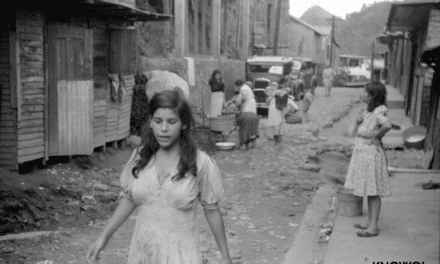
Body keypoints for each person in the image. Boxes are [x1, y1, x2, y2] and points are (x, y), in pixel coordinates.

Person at [86, 90, 232, 264]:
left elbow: (211, 209)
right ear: (151, 122)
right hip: (143, 255)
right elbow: (131, 198)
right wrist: (104, 237)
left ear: (183, 124)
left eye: (171, 122)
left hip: (182, 257)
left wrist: (225, 256)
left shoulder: (200, 163)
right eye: (158, 121)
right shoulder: (141, 157)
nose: (164, 129)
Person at [344, 81, 392, 238]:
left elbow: (388, 125)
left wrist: (377, 137)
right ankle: (370, 222)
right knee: (368, 188)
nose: (361, 94)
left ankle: (374, 227)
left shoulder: (379, 111)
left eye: (364, 92)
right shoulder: (365, 112)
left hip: (371, 153)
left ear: (372, 96)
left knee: (373, 191)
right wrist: (356, 121)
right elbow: (350, 133)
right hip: (362, 152)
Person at [266, 82, 299, 147]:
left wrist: (288, 112)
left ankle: (278, 144)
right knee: (275, 132)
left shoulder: (286, 98)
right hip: (272, 116)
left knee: (279, 131)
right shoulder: (271, 98)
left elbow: (296, 108)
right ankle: (276, 143)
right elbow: (267, 103)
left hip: (279, 116)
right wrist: (273, 95)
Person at [232, 79, 259, 150]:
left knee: (244, 127)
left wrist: (238, 103)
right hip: (252, 111)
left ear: (238, 86)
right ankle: (254, 145)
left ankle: (244, 144)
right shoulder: (247, 88)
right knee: (253, 128)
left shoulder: (243, 88)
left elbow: (244, 98)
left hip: (247, 109)